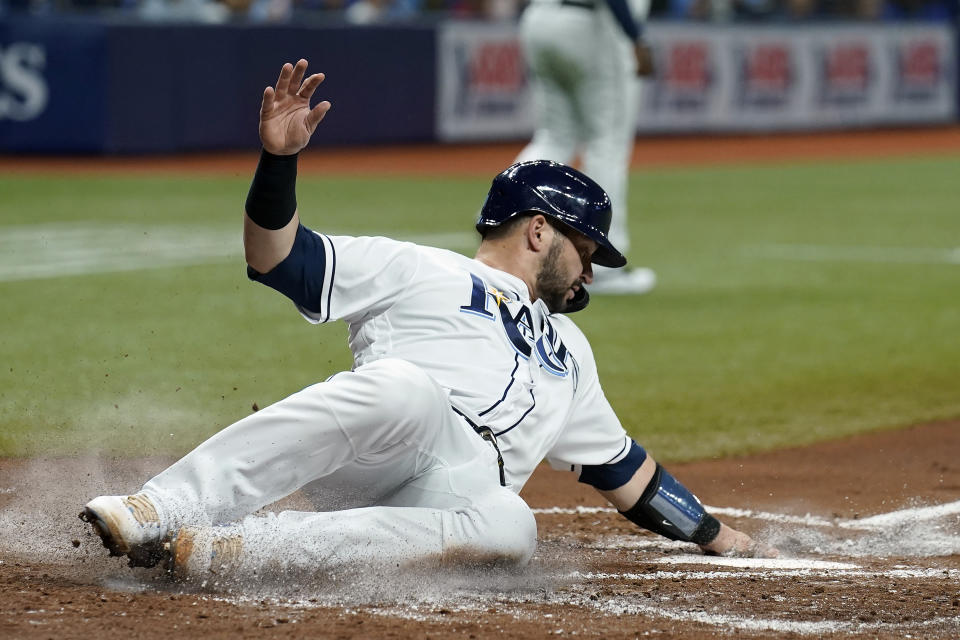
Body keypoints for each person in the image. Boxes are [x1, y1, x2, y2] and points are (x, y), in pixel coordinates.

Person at [79, 60, 776, 582]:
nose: (591, 272)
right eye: (586, 250)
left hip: (460, 494)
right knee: (408, 391)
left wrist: (718, 536)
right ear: (539, 232)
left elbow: (630, 476)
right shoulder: (420, 268)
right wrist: (278, 163)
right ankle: (157, 508)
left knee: (512, 524)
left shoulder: (571, 349)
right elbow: (276, 258)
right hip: (383, 441)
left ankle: (231, 553)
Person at [514, 0, 657, 294]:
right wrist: (636, 37)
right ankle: (602, 263)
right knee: (607, 143)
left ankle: (504, 218)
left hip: (539, 17)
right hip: (587, 24)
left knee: (555, 136)